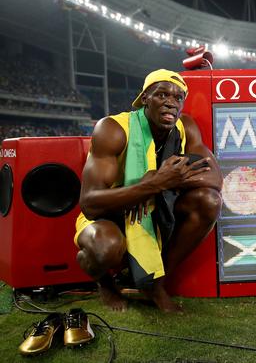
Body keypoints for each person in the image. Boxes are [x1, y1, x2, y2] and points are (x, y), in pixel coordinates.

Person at [74, 69, 222, 313]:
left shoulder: (186, 127)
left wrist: (161, 182)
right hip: (111, 211)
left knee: (209, 200)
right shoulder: (113, 129)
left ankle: (154, 283)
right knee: (105, 248)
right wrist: (150, 185)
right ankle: (105, 283)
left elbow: (214, 178)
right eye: (162, 94)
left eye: (178, 97)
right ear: (145, 98)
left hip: (156, 205)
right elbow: (89, 204)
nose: (171, 103)